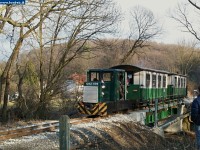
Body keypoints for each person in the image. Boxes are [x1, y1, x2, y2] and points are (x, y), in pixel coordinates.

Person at [191, 85, 200, 150]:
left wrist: (195, 121)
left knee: (199, 139)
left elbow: (194, 114)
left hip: (198, 123)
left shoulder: (196, 101)